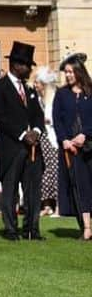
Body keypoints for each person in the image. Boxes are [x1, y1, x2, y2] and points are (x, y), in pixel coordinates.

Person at [0, 41, 45, 242]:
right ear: (16, 65)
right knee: (10, 190)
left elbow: (38, 114)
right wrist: (22, 134)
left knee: (33, 190)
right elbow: (0, 116)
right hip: (11, 147)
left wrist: (36, 131)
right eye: (27, 65)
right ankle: (11, 229)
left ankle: (32, 229)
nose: (29, 69)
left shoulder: (30, 90)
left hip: (32, 149)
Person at [54, 52, 92, 239]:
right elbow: (57, 120)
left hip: (89, 144)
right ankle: (86, 227)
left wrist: (86, 133)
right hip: (71, 149)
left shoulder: (90, 92)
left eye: (70, 71)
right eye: (66, 72)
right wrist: (65, 140)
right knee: (80, 186)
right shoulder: (61, 95)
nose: (68, 75)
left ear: (78, 72)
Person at [33, 67, 60, 217]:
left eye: (37, 82)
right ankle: (47, 204)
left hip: (53, 139)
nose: (35, 85)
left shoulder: (54, 98)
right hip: (42, 140)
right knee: (44, 172)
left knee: (56, 172)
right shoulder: (38, 100)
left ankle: (59, 207)